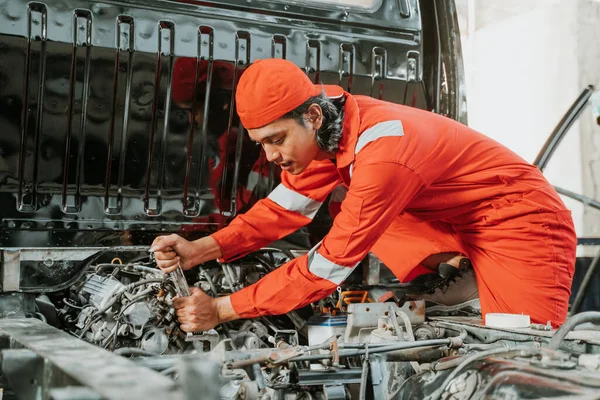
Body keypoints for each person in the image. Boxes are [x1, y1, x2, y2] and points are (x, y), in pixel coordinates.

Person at [150, 58, 576, 333]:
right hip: (457, 217)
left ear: (312, 115)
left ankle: (474, 271)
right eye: (261, 143)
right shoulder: (330, 127)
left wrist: (223, 309)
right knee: (349, 206)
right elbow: (283, 210)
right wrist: (202, 249)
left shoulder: (382, 152)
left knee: (516, 350)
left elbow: (326, 268)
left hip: (521, 222)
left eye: (276, 139)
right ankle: (460, 268)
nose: (271, 155)